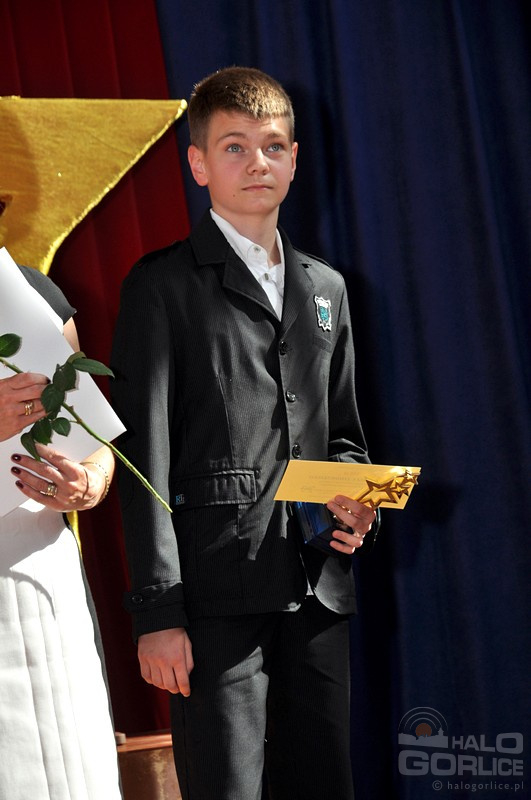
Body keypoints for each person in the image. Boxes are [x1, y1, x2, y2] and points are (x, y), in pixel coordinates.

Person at [111, 66, 377, 800]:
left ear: (294, 159)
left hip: (316, 589)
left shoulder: (326, 288)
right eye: (234, 147)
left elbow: (343, 436)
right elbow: (143, 459)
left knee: (322, 783)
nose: (257, 162)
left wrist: (359, 505)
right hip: (211, 598)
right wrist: (158, 613)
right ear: (198, 164)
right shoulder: (160, 285)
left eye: (272, 146)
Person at [0, 265, 122, 799]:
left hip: (46, 566)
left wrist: (90, 483)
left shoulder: (31, 292)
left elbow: (92, 435)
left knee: (76, 762)